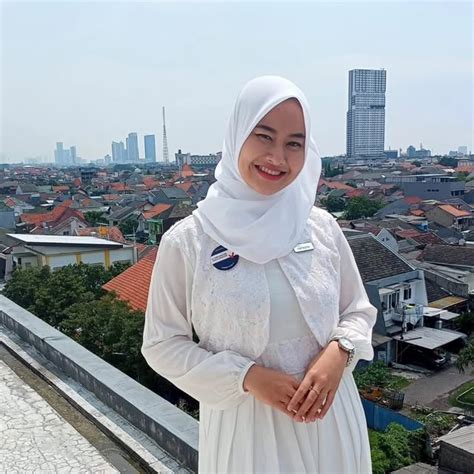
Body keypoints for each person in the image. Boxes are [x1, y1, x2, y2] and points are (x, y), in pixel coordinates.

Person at [142, 75, 377, 473]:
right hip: (246, 428)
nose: (277, 158)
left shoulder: (320, 227)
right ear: (237, 135)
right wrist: (246, 376)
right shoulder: (189, 241)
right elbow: (161, 344)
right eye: (264, 136)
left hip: (331, 418)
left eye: (294, 143)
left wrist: (340, 352)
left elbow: (357, 309)